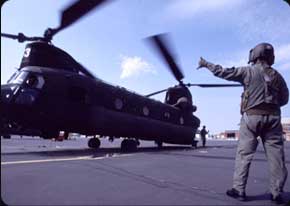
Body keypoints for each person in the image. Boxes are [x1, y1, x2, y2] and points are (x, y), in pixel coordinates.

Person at [196, 43, 289, 203]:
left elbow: (222, 72)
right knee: (276, 158)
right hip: (273, 120)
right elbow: (285, 99)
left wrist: (205, 64)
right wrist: (270, 107)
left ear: (254, 56)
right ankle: (277, 193)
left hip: (251, 118)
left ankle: (239, 190)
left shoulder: (247, 71)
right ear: (270, 57)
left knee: (244, 155)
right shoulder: (278, 76)